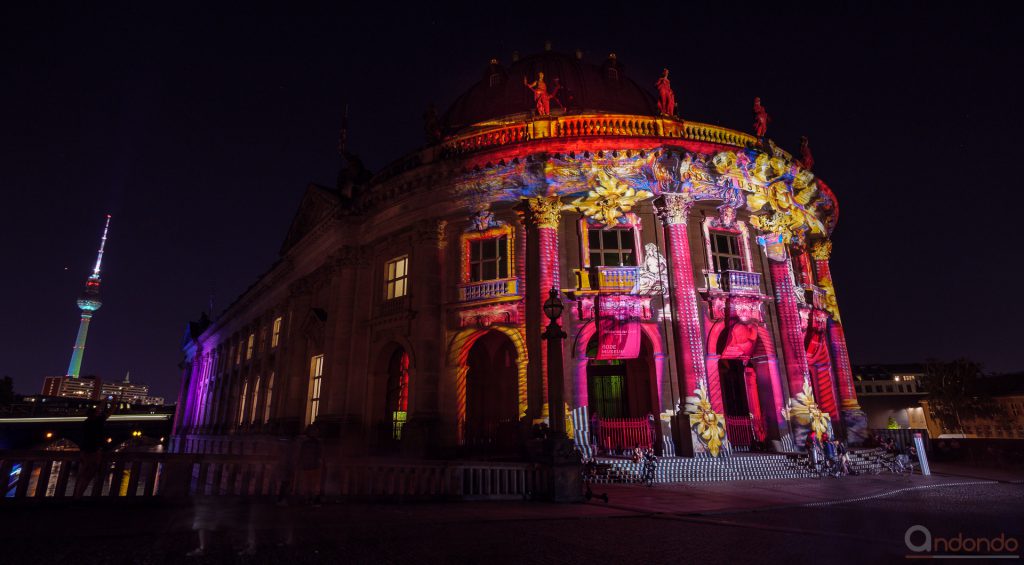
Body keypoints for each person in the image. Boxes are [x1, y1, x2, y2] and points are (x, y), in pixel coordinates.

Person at [73, 406, 109, 498]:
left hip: (85, 450)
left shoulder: (86, 423)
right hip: (94, 450)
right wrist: (114, 401)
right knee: (89, 474)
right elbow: (110, 411)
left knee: (83, 474)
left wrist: (103, 402)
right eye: (97, 413)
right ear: (95, 414)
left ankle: (77, 495)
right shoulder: (97, 422)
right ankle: (78, 496)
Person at [296, 424, 324, 505]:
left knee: (311, 483)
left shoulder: (316, 443)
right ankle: (308, 498)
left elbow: (319, 454)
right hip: (308, 465)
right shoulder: (307, 443)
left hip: (312, 465)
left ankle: (310, 498)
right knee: (308, 483)